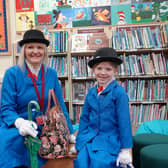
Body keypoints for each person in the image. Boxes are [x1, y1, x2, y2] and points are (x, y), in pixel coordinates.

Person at [0, 29, 75, 168]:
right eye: (30, 47)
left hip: (44, 125)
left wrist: (69, 132)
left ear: (45, 51)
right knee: (7, 143)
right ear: (23, 50)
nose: (35, 51)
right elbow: (6, 108)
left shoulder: (51, 73)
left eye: (40, 47)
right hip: (17, 125)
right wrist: (19, 123)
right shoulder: (12, 74)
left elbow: (60, 106)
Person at [73, 47, 133, 168]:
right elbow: (84, 118)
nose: (103, 73)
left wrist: (126, 149)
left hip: (109, 140)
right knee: (80, 161)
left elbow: (124, 122)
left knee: (99, 163)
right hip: (90, 138)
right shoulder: (91, 92)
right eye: (99, 68)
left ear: (115, 70)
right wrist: (79, 141)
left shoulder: (119, 93)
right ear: (93, 70)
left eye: (108, 69)